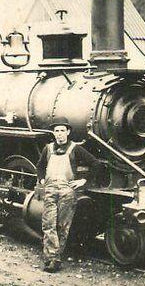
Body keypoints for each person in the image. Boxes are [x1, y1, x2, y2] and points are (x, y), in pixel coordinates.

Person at [35, 116, 100, 273]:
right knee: (48, 224)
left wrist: (83, 180)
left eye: (62, 131)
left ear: (68, 132)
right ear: (53, 133)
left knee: (62, 226)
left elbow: (96, 164)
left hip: (67, 192)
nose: (59, 134)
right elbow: (40, 166)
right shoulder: (48, 149)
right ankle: (52, 258)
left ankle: (55, 258)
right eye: (56, 131)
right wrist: (42, 179)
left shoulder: (75, 149)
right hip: (50, 190)